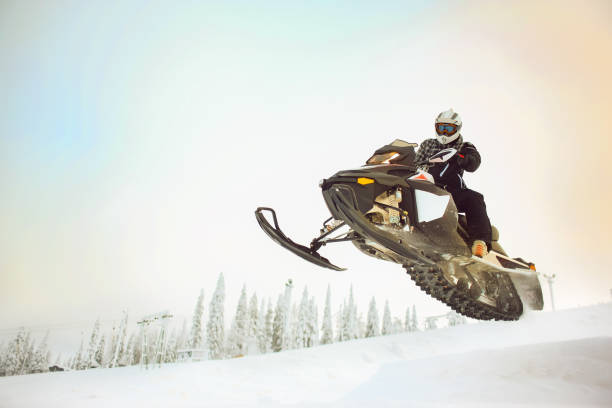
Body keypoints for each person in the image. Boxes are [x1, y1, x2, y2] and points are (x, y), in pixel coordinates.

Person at [414, 108, 492, 257]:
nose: (444, 132)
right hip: (424, 187)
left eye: (448, 129)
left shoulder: (464, 146)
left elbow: (474, 161)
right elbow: (414, 162)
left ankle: (480, 241)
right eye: (441, 128)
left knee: (474, 198)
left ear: (456, 129)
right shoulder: (428, 145)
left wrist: (466, 158)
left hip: (449, 193)